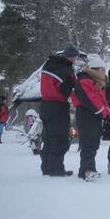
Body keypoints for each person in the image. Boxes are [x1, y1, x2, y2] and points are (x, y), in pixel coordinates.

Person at [40, 44, 79, 176]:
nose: (75, 60)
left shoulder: (49, 64)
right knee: (60, 138)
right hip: (58, 106)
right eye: (75, 57)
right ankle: (56, 169)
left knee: (48, 139)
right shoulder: (66, 68)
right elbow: (68, 87)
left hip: (45, 104)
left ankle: (46, 167)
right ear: (72, 56)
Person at [71, 54, 110, 181]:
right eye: (102, 69)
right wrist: (102, 111)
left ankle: (87, 169)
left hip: (94, 116)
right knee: (88, 143)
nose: (103, 72)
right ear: (95, 69)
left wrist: (106, 109)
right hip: (86, 114)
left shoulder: (96, 82)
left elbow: (101, 99)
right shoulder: (84, 81)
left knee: (93, 143)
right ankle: (88, 170)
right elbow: (91, 99)